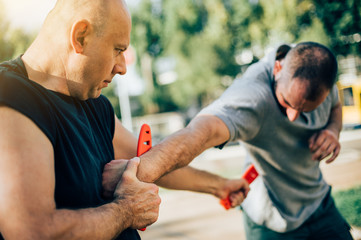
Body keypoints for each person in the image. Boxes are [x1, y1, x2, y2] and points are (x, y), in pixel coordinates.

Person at [0, 0, 249, 239]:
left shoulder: (95, 103)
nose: (122, 67)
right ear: (80, 37)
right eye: (118, 50)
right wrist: (127, 211)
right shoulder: (10, 95)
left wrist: (219, 185)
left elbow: (145, 163)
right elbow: (31, 231)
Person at [103, 42, 353, 239]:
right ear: (277, 68)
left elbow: (335, 107)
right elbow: (198, 135)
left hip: (320, 205)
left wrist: (332, 130)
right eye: (287, 103)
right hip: (271, 219)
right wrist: (135, 175)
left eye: (305, 109)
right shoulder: (251, 96)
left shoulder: (319, 74)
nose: (292, 116)